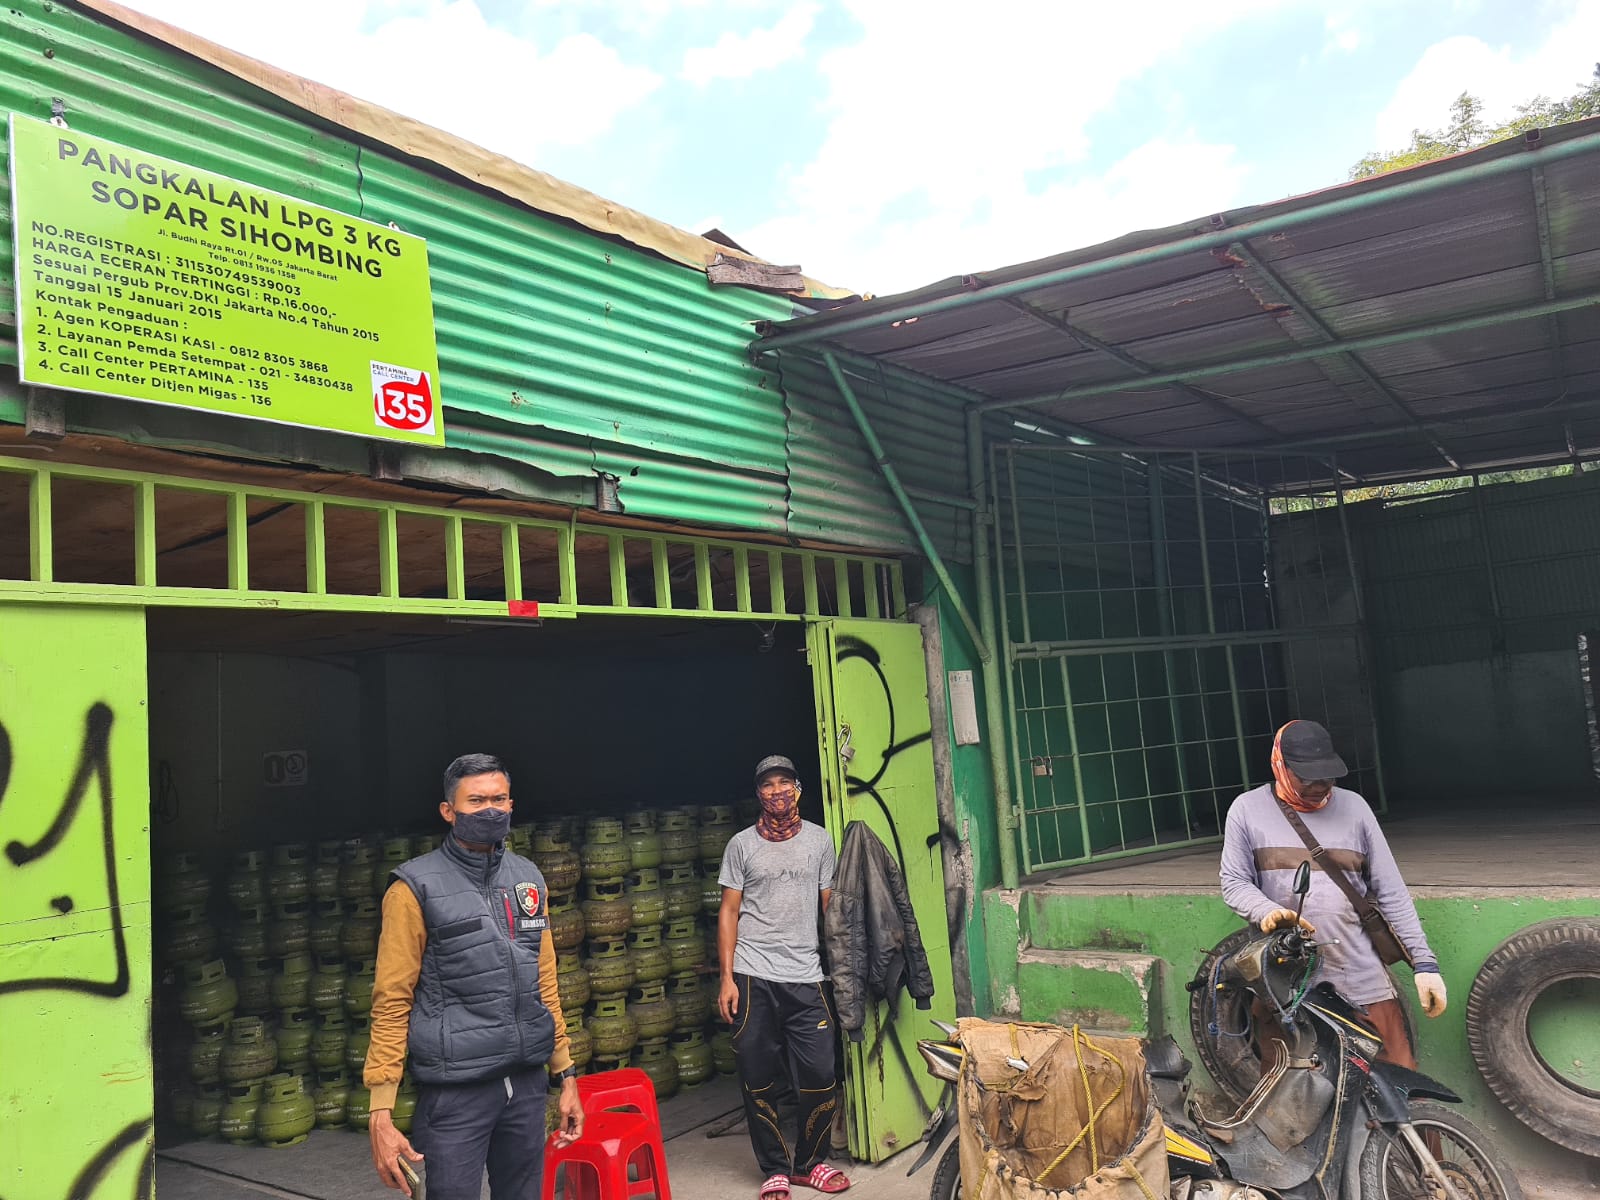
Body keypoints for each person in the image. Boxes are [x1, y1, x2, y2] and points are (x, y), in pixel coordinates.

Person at [365, 753, 584, 1199]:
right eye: (476, 800)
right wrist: (380, 1111)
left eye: (499, 799)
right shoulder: (413, 889)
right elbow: (392, 999)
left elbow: (544, 982)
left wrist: (566, 1075)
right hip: (455, 1093)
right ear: (449, 811)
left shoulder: (527, 880)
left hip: (525, 1085)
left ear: (511, 804)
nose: (489, 810)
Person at [1220, 720, 1448, 1071]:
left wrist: (1425, 964)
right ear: (1280, 766)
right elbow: (1234, 881)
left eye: (1327, 775)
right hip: (1285, 979)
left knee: (1397, 1080)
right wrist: (1266, 910)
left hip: (1358, 974)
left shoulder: (1355, 808)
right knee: (1294, 1090)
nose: (1319, 785)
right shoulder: (1247, 810)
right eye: (1307, 776)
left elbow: (1391, 891)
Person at [718, 755, 852, 1200]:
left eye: (785, 783)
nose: (777, 791)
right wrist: (726, 978)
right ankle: (774, 1168)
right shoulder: (741, 845)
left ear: (798, 788)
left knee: (820, 1072)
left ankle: (809, 1164)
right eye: (768, 785)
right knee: (758, 1076)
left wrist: (843, 966)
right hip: (752, 974)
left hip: (806, 974)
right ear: (758, 793)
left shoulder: (819, 840)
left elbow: (829, 907)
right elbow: (729, 912)